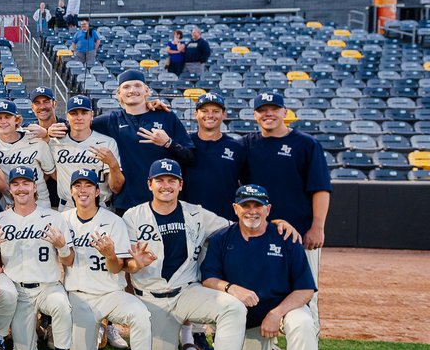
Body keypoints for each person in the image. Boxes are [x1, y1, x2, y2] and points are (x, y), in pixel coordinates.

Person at [121, 160, 253, 350]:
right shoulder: (132, 216)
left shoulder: (196, 213)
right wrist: (137, 264)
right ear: (150, 184)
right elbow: (127, 267)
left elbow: (235, 227)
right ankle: (178, 337)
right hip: (152, 300)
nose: (166, 185)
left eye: (172, 180)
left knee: (233, 307)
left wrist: (276, 225)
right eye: (160, 180)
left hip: (187, 292)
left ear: (181, 185)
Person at [201, 184, 319, 350]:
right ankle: (270, 349)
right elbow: (208, 278)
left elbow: (306, 289)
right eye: (246, 205)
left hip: (282, 308)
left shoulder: (286, 237)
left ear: (268, 209)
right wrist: (231, 288)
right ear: (235, 208)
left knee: (304, 324)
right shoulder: (222, 238)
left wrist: (276, 314)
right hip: (246, 319)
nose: (252, 211)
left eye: (258, 206)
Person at [61, 169, 154, 350]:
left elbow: (116, 268)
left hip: (111, 293)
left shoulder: (113, 221)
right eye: (78, 185)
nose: (83, 190)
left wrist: (110, 254)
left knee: (140, 314)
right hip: (79, 296)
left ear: (96, 191)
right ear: (71, 191)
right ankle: (99, 329)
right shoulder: (63, 219)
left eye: (88, 185)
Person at [242, 91, 331, 328]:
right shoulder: (247, 144)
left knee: (306, 291)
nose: (268, 113)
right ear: (255, 115)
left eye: (273, 108)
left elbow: (320, 189)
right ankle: (269, 349)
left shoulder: (306, 144)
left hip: (301, 234)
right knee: (262, 291)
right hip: (259, 234)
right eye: (262, 110)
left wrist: (317, 227)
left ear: (284, 112)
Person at [0, 166, 74, 350]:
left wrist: (62, 246)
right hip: (18, 291)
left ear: (35, 187)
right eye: (16, 184)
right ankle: (37, 327)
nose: (21, 188)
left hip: (48, 286)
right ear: (10, 189)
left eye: (26, 183)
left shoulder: (54, 217)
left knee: (61, 305)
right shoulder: (0, 219)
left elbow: (69, 260)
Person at [92, 70, 194, 213]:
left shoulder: (167, 117)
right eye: (126, 87)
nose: (132, 90)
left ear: (147, 90)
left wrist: (168, 143)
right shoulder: (112, 120)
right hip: (127, 203)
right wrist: (51, 129)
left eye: (138, 86)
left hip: (164, 203)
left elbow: (190, 157)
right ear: (118, 93)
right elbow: (78, 123)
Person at [50, 94, 123, 209]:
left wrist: (113, 164)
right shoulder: (55, 143)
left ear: (92, 115)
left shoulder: (107, 142)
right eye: (74, 113)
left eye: (84, 113)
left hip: (100, 206)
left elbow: (116, 188)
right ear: (67, 116)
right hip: (67, 206)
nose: (79, 117)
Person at [184, 92, 246, 220]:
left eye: (216, 111)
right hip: (189, 220)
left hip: (225, 222)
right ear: (196, 114)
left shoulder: (237, 148)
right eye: (204, 111)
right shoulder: (184, 145)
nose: (210, 115)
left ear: (224, 114)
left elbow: (246, 184)